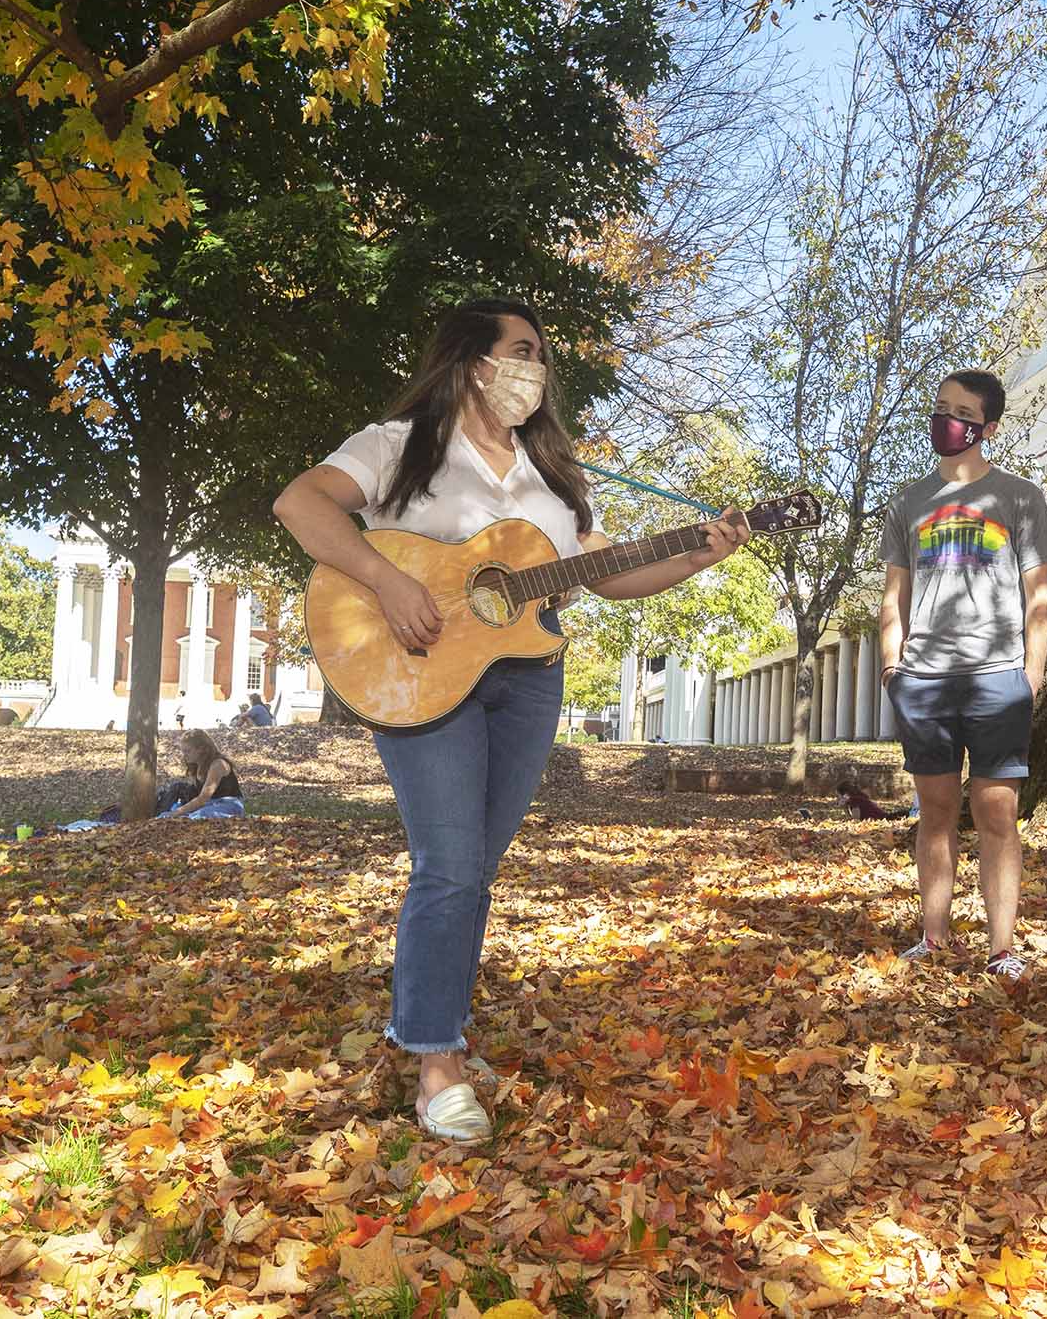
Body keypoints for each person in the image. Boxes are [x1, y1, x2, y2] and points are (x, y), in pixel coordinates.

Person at [274, 297, 749, 1142]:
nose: (535, 369)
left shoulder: (554, 477)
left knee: (475, 866)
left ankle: (439, 1030)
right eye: (521, 349)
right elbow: (299, 504)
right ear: (471, 360)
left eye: (539, 355)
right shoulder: (400, 449)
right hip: (418, 668)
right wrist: (388, 579)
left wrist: (694, 555)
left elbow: (607, 576)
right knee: (451, 865)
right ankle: (434, 1060)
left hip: (528, 680)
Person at [879, 369, 1047, 988]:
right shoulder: (907, 501)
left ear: (988, 427)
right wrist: (891, 666)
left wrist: (1031, 673)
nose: (945, 420)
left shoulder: (1021, 498)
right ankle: (932, 937)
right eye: (939, 408)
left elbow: (1040, 595)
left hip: (997, 678)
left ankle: (1002, 947)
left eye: (959, 411)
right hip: (924, 680)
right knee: (935, 811)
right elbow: (894, 594)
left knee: (997, 814)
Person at [159, 730, 245, 819]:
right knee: (172, 813)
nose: (184, 755)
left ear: (201, 749)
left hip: (228, 804)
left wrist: (176, 813)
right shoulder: (196, 765)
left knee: (199, 816)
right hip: (209, 804)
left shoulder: (218, 764)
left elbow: (203, 799)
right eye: (183, 751)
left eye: (187, 751)